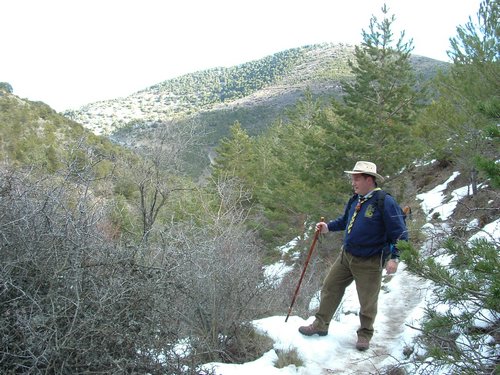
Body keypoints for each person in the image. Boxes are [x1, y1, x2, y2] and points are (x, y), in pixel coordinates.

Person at [298, 161, 408, 351]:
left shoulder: (384, 201)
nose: (353, 182)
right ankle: (320, 325)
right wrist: (328, 227)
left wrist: (394, 258)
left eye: (356, 178)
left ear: (369, 179)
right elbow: (345, 220)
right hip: (346, 256)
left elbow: (400, 232)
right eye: (353, 178)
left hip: (370, 260)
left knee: (367, 300)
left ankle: (365, 334)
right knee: (330, 287)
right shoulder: (356, 199)